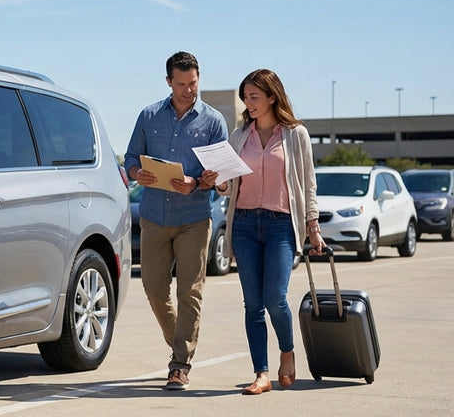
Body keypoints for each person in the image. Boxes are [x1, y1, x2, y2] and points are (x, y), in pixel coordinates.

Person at [204, 69, 326, 395]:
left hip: (280, 225)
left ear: (272, 96)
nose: (248, 103)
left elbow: (308, 184)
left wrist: (312, 228)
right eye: (245, 97)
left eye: (254, 97)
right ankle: (261, 373)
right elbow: (228, 188)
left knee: (275, 298)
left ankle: (287, 350)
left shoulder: (295, 134)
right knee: (252, 304)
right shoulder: (238, 135)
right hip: (243, 224)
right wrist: (218, 179)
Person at [125, 51, 229, 390]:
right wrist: (136, 172)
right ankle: (178, 341)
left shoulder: (213, 121)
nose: (188, 91)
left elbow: (221, 173)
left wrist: (198, 182)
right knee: (154, 288)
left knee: (190, 292)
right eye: (181, 84)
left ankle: (180, 363)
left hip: (194, 218)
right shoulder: (149, 115)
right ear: (169, 81)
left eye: (193, 84)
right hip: (154, 215)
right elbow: (130, 158)